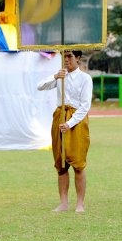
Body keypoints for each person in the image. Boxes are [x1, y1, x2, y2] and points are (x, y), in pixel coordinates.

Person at [38, 50, 93, 212]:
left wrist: (70, 123)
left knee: (78, 163)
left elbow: (85, 106)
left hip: (76, 120)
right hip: (59, 117)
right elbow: (40, 86)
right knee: (60, 163)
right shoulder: (60, 76)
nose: (66, 59)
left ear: (77, 58)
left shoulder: (85, 78)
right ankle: (63, 202)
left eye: (69, 56)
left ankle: (80, 204)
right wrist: (55, 77)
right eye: (64, 56)